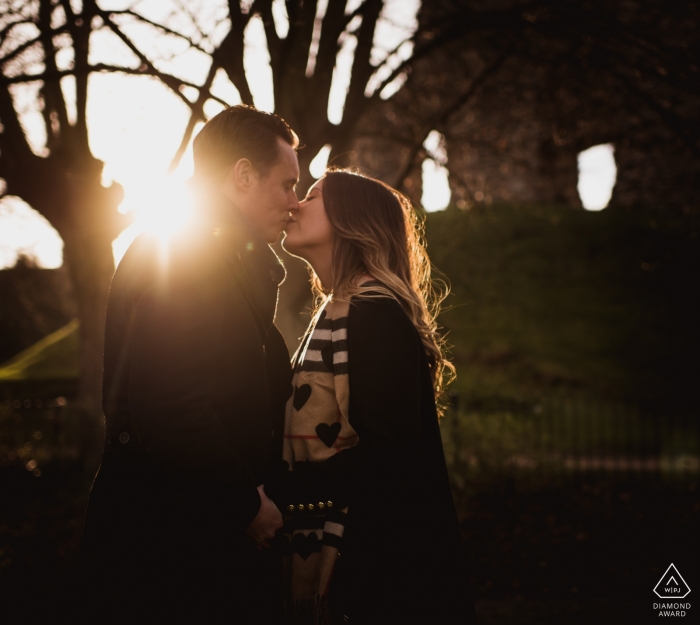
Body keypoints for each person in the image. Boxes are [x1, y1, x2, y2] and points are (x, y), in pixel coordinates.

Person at [77, 105, 300, 623]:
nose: (294, 202)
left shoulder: (215, 254)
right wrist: (247, 505)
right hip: (168, 557)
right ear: (243, 174)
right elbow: (170, 404)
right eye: (286, 184)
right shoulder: (192, 253)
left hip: (178, 542)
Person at [280, 169, 477, 624]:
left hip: (369, 563)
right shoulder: (338, 311)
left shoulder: (374, 313)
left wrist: (289, 490)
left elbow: (390, 453)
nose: (294, 205)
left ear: (352, 219)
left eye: (311, 197)